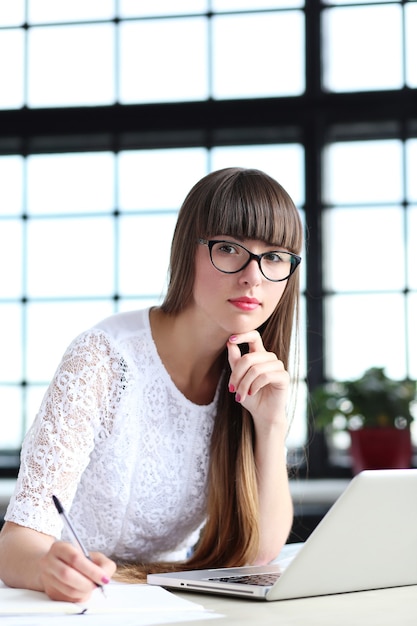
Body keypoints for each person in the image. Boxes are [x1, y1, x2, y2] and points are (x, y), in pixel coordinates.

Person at [0, 167, 303, 603]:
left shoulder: (247, 378)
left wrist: (270, 424)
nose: (253, 276)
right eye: (229, 248)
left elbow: (259, 553)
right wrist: (50, 567)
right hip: (64, 605)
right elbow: (14, 547)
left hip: (163, 602)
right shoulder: (103, 358)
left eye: (274, 256)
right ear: (188, 251)